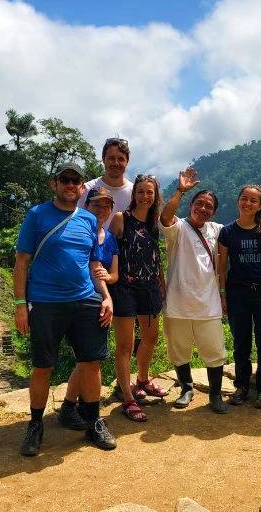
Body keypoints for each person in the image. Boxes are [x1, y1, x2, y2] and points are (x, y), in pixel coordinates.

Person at [13, 163, 116, 456]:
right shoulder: (37, 215)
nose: (71, 185)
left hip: (85, 300)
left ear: (82, 187)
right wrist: (21, 304)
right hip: (46, 302)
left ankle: (94, 422)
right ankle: (35, 425)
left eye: (76, 181)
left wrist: (106, 296)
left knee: (90, 364)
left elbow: (94, 265)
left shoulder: (87, 219)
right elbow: (22, 261)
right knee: (43, 366)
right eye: (65, 180)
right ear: (54, 184)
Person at [160, 167, 229, 413]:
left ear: (214, 211)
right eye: (199, 203)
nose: (203, 209)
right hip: (178, 302)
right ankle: (186, 387)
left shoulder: (216, 230)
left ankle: (215, 394)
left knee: (214, 351)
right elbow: (165, 217)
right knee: (179, 351)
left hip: (208, 303)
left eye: (208, 206)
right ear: (191, 205)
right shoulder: (177, 228)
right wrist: (180, 190)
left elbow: (241, 232)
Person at [58, 186, 120, 430]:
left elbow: (114, 275)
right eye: (97, 205)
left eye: (107, 206)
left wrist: (107, 279)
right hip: (75, 299)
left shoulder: (111, 238)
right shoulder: (74, 231)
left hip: (101, 302)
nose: (102, 210)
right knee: (87, 360)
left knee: (90, 360)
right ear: (87, 206)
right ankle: (75, 406)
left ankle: (73, 406)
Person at [108, 174, 167, 422]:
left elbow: (155, 256)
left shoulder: (155, 223)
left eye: (149, 192)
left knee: (151, 338)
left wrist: (161, 284)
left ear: (155, 196)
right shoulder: (122, 219)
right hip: (125, 288)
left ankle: (142, 379)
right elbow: (109, 250)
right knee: (125, 345)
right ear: (134, 195)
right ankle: (128, 398)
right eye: (140, 191)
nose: (145, 196)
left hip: (150, 288)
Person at [217, 185, 261, 409]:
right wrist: (223, 295)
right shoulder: (227, 232)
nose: (248, 203)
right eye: (244, 199)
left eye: (254, 201)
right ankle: (242, 385)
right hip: (237, 293)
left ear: (260, 205)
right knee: (241, 342)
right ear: (237, 201)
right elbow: (222, 267)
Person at [78, 137, 133, 228]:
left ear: (127, 162)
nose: (116, 163)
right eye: (111, 158)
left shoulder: (135, 193)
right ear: (103, 159)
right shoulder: (86, 189)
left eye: (121, 159)